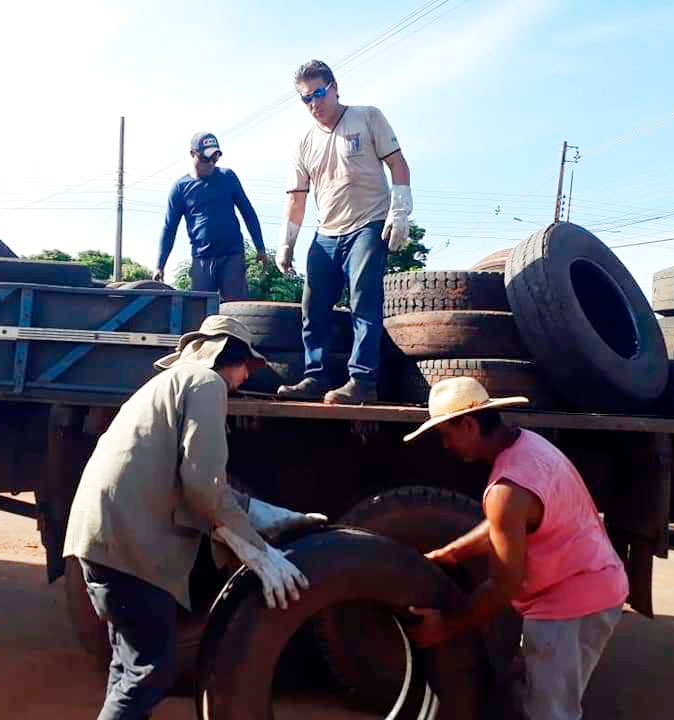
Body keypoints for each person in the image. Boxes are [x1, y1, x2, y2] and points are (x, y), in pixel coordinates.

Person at [63, 315, 326, 720]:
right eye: (246, 368)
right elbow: (202, 486)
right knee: (151, 672)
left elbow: (200, 485)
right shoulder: (207, 384)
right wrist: (258, 553)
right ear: (227, 357)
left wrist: (273, 517)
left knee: (128, 667)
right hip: (129, 545)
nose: (244, 378)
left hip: (102, 538)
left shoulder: (170, 384)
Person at [402, 377, 629, 720]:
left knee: (551, 713)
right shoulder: (529, 446)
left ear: (469, 424)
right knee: (541, 694)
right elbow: (506, 524)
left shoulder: (506, 490)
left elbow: (504, 585)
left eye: (447, 435)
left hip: (569, 605)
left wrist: (444, 628)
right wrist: (451, 554)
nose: (445, 445)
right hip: (594, 584)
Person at [275, 59, 413, 405]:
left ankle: (363, 381)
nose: (314, 104)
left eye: (319, 94)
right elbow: (297, 197)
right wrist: (286, 243)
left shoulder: (367, 117)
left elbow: (398, 164)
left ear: (334, 88)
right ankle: (316, 377)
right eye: (306, 99)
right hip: (327, 232)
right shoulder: (304, 143)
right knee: (313, 305)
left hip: (368, 224)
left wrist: (399, 212)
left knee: (363, 299)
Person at [154, 132, 267, 301]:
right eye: (206, 158)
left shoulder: (227, 177)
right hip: (202, 259)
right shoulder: (180, 188)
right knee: (201, 310)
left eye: (215, 158)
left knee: (236, 309)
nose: (211, 163)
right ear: (193, 154)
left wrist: (260, 248)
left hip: (232, 256)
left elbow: (248, 213)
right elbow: (169, 228)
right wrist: (160, 265)